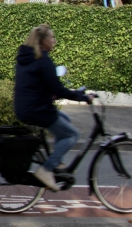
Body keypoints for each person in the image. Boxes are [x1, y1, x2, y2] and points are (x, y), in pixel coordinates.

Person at [13, 24, 92, 192]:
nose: (54, 41)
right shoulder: (43, 60)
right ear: (43, 41)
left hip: (25, 107)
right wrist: (83, 97)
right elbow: (58, 88)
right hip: (38, 110)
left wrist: (50, 93)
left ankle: (57, 160)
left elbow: (33, 84)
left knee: (66, 119)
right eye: (52, 38)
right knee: (73, 134)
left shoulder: (26, 57)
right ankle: (47, 169)